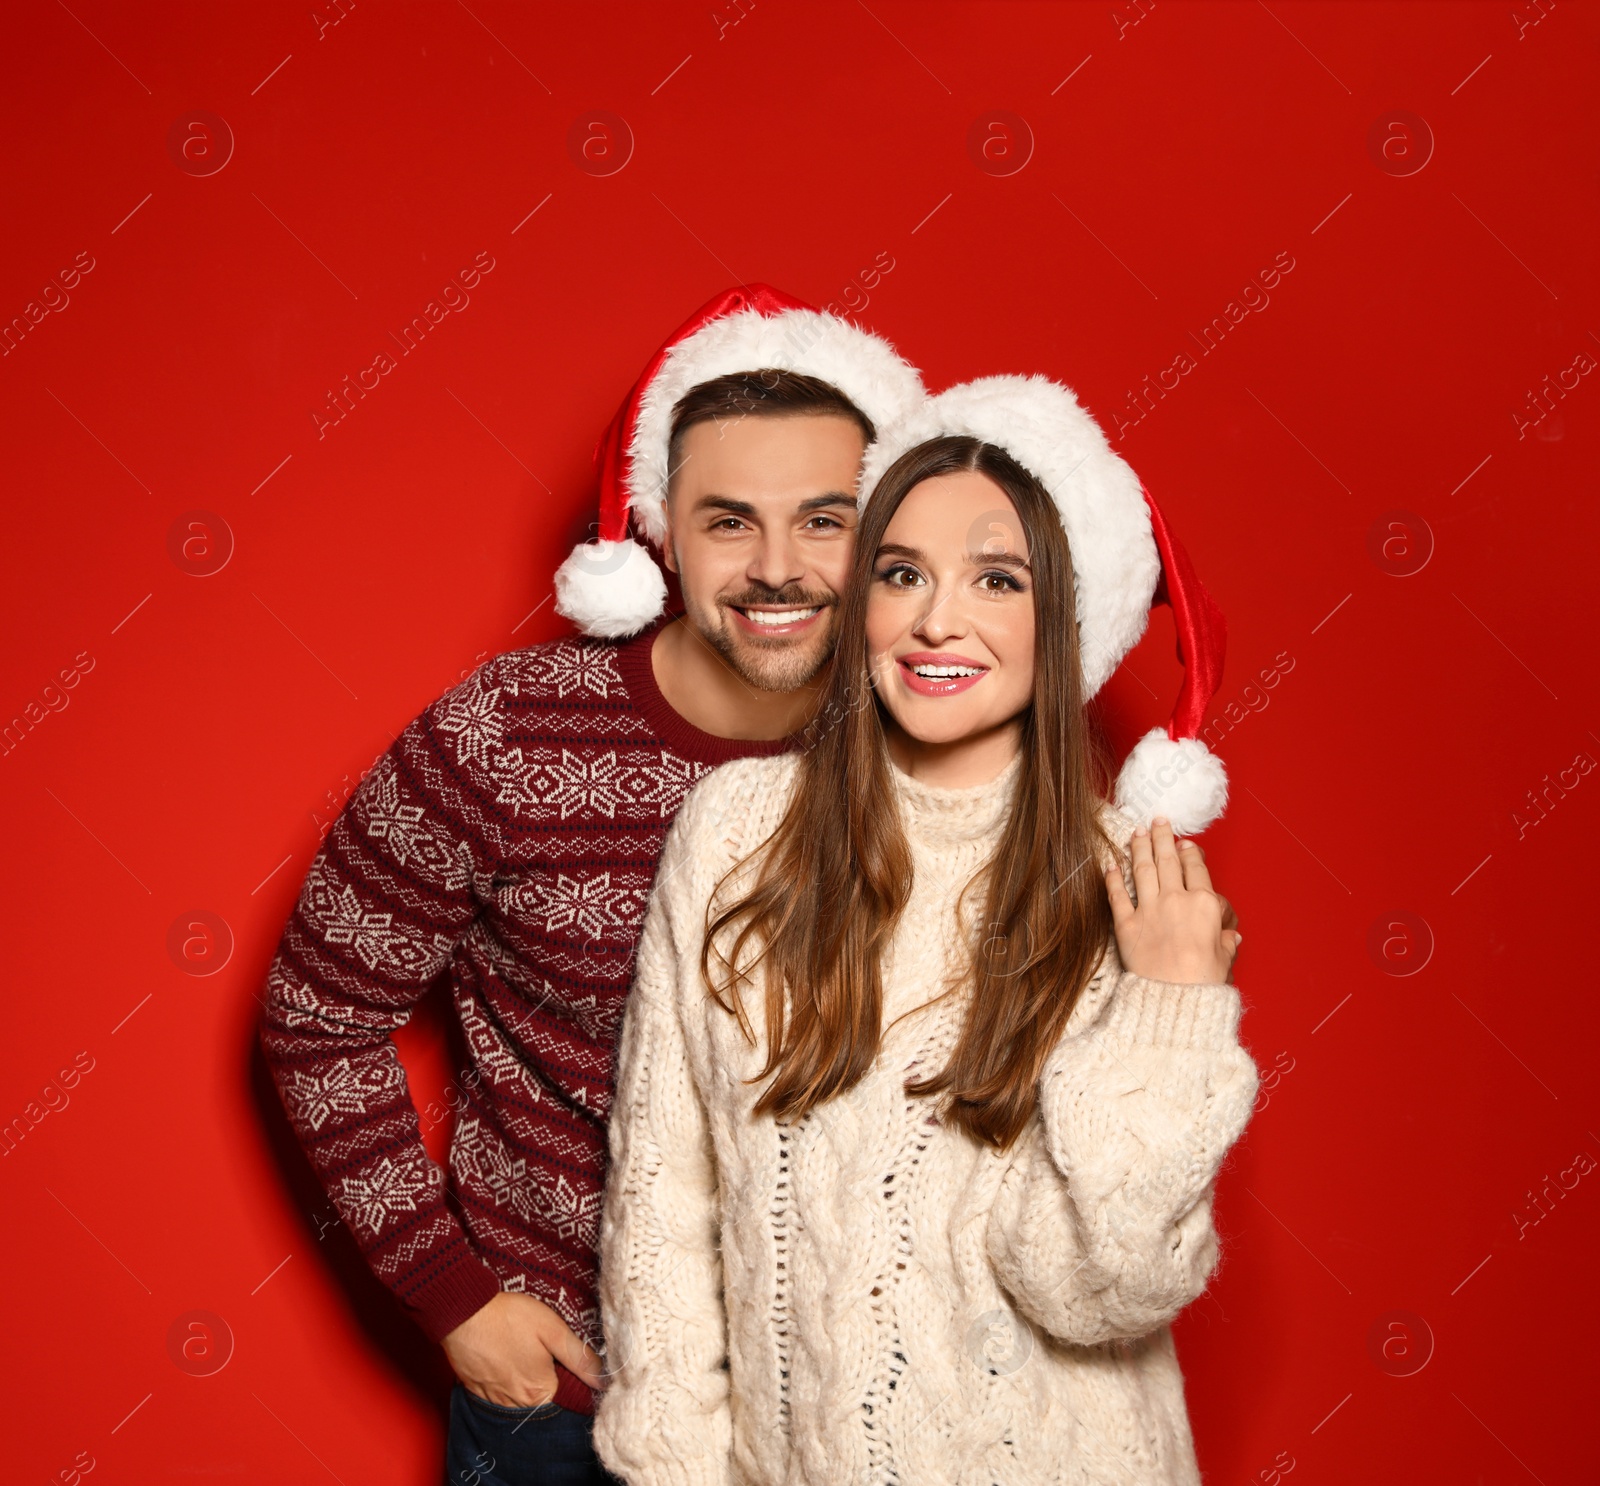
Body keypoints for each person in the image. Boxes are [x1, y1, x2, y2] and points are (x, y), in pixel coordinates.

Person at [258, 284, 924, 1486]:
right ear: (658, 530)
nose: (778, 567)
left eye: (826, 519)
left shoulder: (940, 745)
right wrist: (452, 1297)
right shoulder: (502, 735)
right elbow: (319, 1016)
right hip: (573, 1403)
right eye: (730, 521)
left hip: (865, 1400)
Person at [594, 375, 1258, 1486]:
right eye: (900, 572)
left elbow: (1096, 1290)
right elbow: (665, 1199)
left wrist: (1170, 1016)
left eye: (996, 578)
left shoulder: (1126, 888)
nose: (934, 619)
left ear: (1068, 615)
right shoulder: (736, 833)